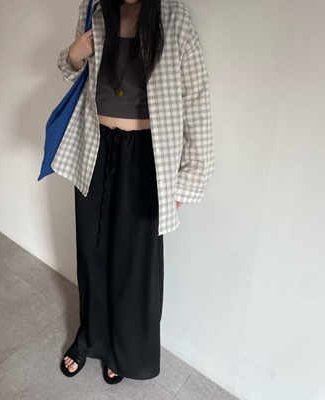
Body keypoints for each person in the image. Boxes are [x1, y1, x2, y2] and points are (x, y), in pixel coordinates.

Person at [57, 0, 215, 385]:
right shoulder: (94, 8)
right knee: (92, 252)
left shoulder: (175, 18)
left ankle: (124, 350)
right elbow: (72, 73)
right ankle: (92, 337)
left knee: (135, 261)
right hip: (94, 148)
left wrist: (188, 178)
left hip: (148, 157)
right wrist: (74, 54)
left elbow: (197, 100)